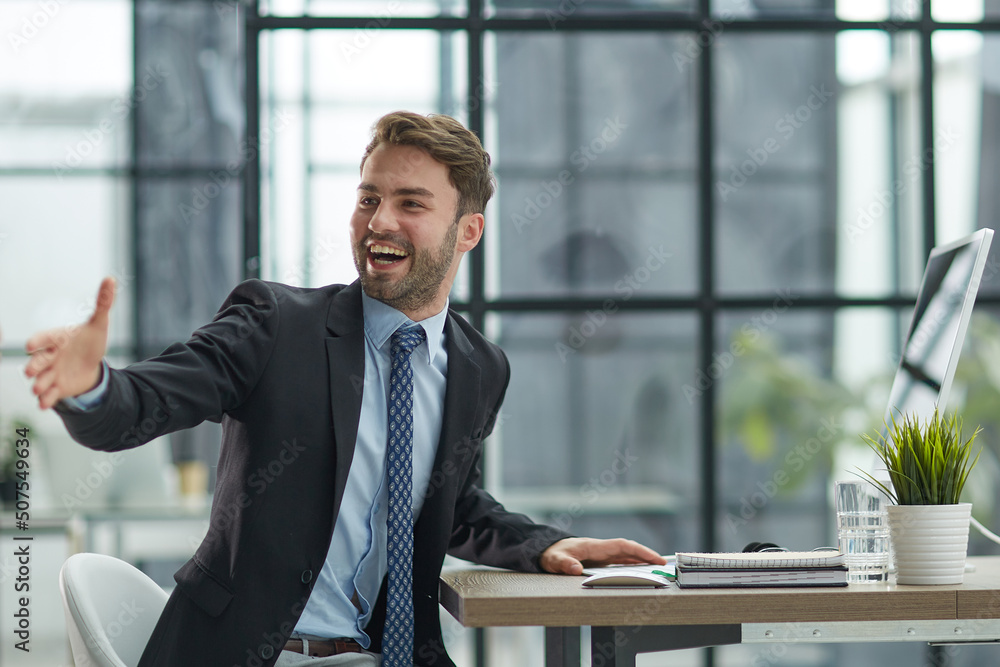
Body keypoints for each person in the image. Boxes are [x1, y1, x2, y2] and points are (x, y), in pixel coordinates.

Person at [25, 111, 665, 667]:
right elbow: (143, 405)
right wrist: (91, 388)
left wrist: (544, 544)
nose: (380, 221)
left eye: (411, 203)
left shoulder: (479, 365)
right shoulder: (276, 324)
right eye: (368, 198)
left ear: (467, 232)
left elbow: (453, 505)